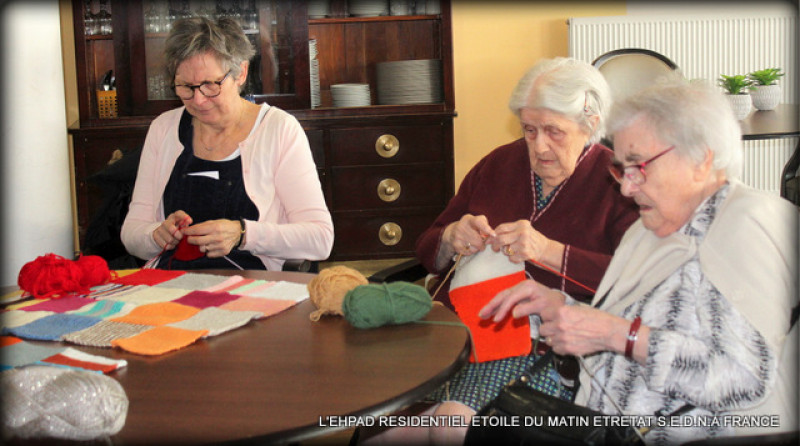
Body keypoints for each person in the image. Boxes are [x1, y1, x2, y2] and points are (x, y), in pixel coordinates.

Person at [479, 77, 799, 444]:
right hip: (601, 429)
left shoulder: (745, 224)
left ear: (701, 159)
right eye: (620, 169)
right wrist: (561, 309)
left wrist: (616, 334)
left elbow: (743, 378)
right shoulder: (652, 229)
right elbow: (629, 330)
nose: (627, 189)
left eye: (638, 167)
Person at [362, 58, 639, 444]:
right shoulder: (497, 164)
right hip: (460, 336)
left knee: (451, 424)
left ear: (591, 124)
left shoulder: (618, 183)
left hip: (551, 350)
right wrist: (450, 238)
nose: (539, 145)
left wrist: (548, 251)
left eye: (553, 132)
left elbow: (636, 282)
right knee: (375, 429)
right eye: (529, 130)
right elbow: (427, 249)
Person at [121, 17, 333, 271]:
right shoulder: (163, 129)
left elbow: (320, 239)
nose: (198, 100)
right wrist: (155, 235)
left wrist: (243, 234)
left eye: (210, 85)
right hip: (171, 286)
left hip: (252, 286)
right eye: (186, 86)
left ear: (241, 73)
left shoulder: (278, 130)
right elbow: (131, 234)